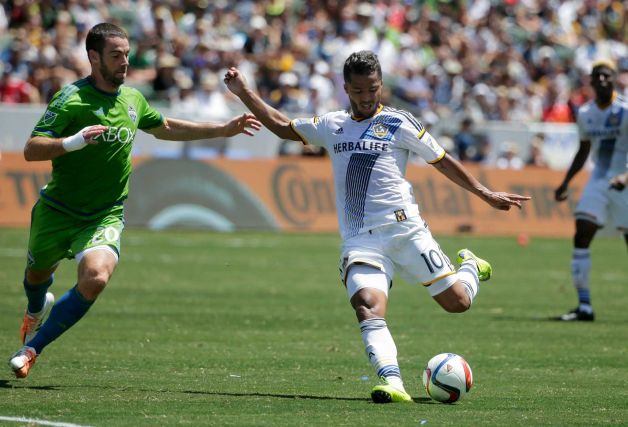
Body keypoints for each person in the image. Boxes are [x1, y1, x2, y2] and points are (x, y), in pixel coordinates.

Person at [224, 50, 530, 403]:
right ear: (346, 88)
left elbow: (441, 161)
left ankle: (470, 268)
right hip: (360, 240)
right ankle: (393, 382)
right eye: (358, 91)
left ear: (381, 84)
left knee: (458, 303)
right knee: (367, 304)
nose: (367, 97)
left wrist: (484, 192)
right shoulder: (332, 125)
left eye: (372, 89)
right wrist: (243, 91)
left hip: (406, 231)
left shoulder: (402, 123)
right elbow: (282, 127)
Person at [8, 22, 261, 379]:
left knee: (95, 277)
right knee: (35, 279)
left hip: (103, 215)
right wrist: (72, 142)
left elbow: (166, 128)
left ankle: (33, 348)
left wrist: (221, 129)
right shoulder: (71, 99)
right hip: (57, 211)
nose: (125, 62)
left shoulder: (133, 98)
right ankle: (35, 309)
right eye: (116, 56)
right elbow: (31, 149)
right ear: (94, 58)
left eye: (126, 55)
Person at [553, 59, 628, 322]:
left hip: (625, 181)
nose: (603, 80)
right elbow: (584, 150)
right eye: (598, 76)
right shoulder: (585, 113)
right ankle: (584, 307)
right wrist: (566, 182)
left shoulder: (626, 109)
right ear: (592, 81)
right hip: (599, 181)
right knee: (582, 233)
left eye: (607, 75)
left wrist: (626, 176)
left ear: (615, 78)